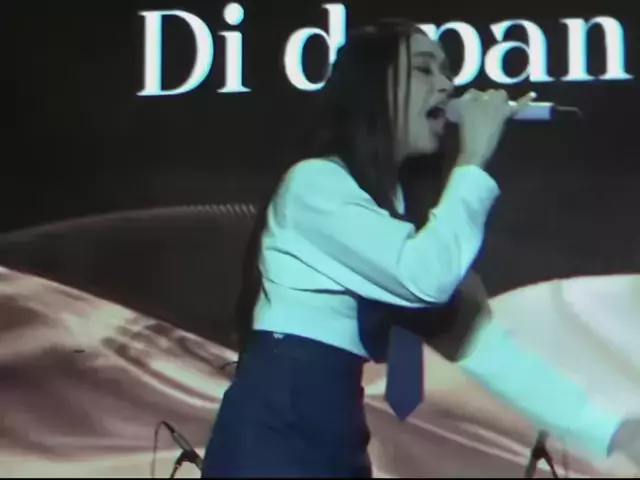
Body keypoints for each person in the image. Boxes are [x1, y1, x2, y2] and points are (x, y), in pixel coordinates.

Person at [200, 19, 638, 478]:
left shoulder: (394, 221)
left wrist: (613, 431)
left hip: (333, 433)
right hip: (276, 434)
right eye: (424, 69)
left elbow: (479, 342)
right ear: (372, 88)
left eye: (447, 72)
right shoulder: (314, 184)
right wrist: (472, 161)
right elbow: (424, 279)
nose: (446, 85)